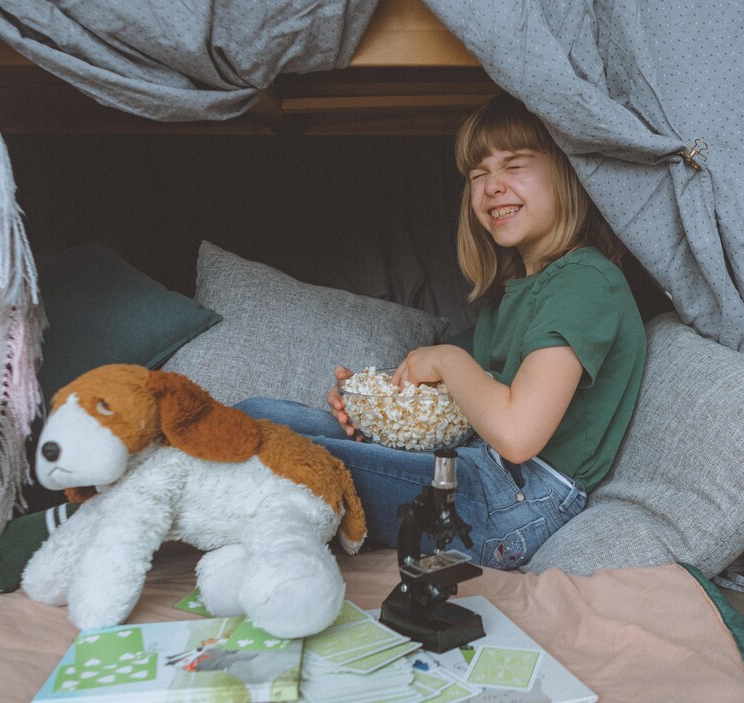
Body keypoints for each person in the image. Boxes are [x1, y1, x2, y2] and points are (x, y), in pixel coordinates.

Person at [235, 94, 646, 571]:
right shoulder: (519, 288)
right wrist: (373, 407)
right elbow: (461, 405)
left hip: (512, 503)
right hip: (471, 464)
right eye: (477, 175)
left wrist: (447, 360)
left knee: (262, 450)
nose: (492, 187)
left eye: (514, 165)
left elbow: (516, 435)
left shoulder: (585, 282)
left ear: (569, 174)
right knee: (256, 416)